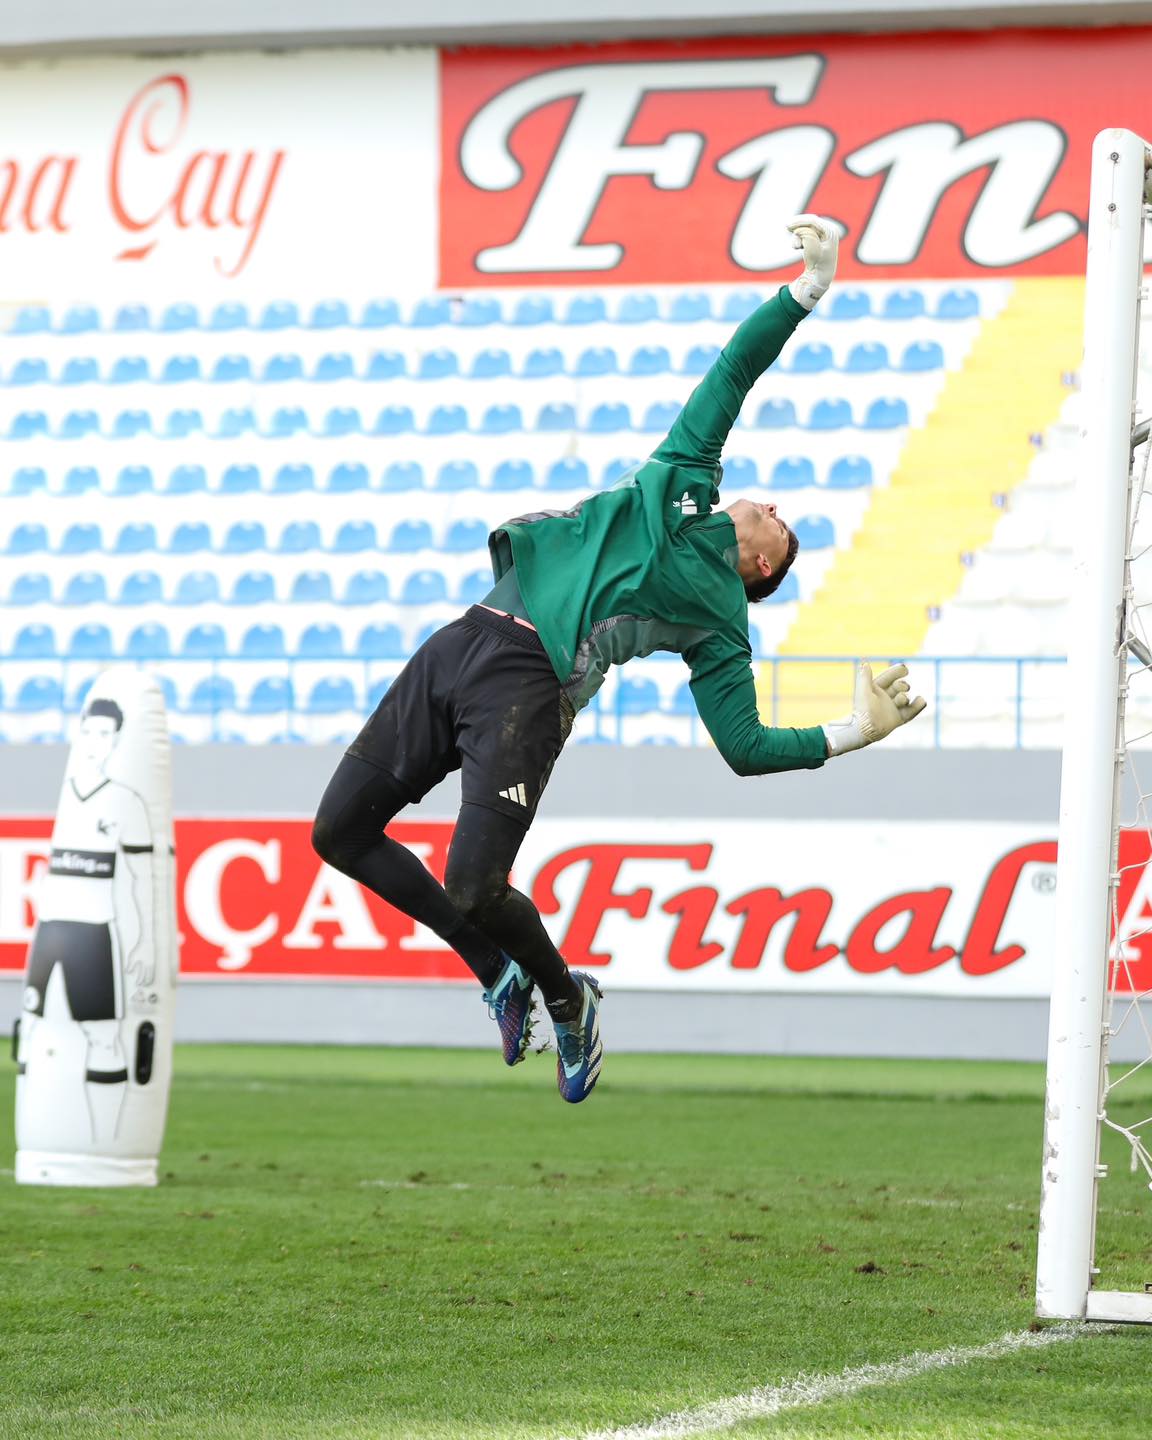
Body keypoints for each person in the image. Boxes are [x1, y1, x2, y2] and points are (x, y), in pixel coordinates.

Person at [312, 215, 926, 1104]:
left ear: (760, 569)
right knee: (339, 831)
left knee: (475, 883)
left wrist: (851, 732)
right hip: (469, 636)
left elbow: (745, 748)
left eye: (784, 530)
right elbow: (735, 370)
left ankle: (568, 998)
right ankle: (500, 973)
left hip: (530, 688)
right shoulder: (686, 474)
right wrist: (807, 290)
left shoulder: (720, 622)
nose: (775, 505)